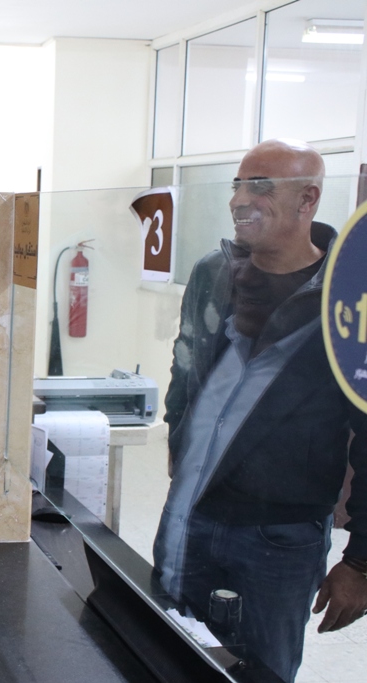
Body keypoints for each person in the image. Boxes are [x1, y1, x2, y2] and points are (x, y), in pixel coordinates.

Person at [155, 139, 367, 682]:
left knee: (261, 672)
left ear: (308, 200)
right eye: (238, 185)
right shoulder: (214, 272)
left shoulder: (347, 296)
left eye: (261, 187)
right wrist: (179, 449)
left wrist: (361, 562)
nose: (239, 200)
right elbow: (185, 371)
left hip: (280, 537)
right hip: (192, 515)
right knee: (162, 654)